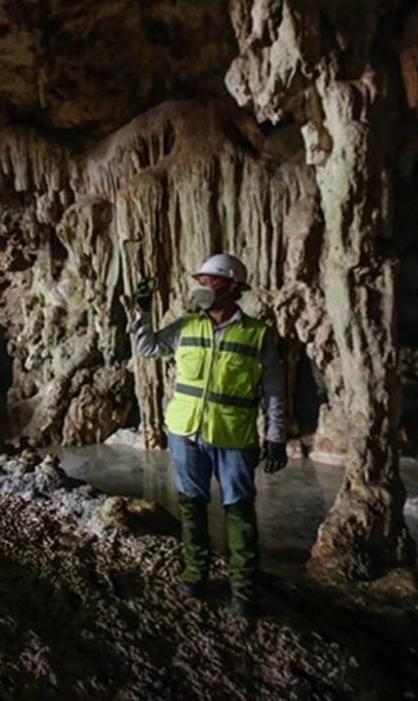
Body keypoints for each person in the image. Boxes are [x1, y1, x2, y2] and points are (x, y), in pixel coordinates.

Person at [130, 253, 287, 618]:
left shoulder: (257, 334)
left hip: (233, 436)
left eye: (209, 281)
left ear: (232, 287)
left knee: (239, 511)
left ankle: (244, 589)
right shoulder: (186, 325)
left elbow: (275, 391)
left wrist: (276, 438)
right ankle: (195, 573)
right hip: (185, 433)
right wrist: (143, 311)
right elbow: (148, 347)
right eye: (199, 280)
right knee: (191, 505)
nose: (201, 286)